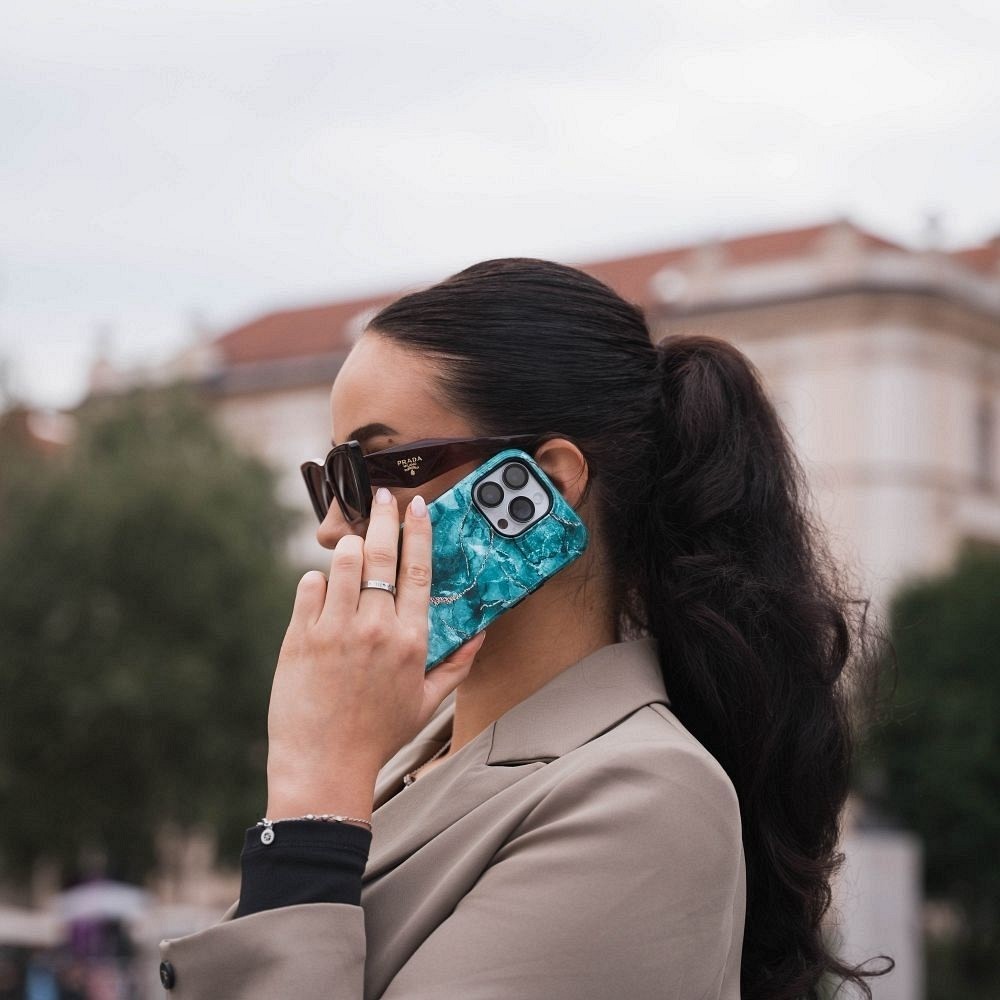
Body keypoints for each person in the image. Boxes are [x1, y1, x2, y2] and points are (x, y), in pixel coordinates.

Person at [158, 258, 892, 999]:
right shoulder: (405, 755)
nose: (331, 528)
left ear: (548, 483)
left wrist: (312, 796)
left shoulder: (646, 796)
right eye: (328, 480)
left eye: (373, 469)